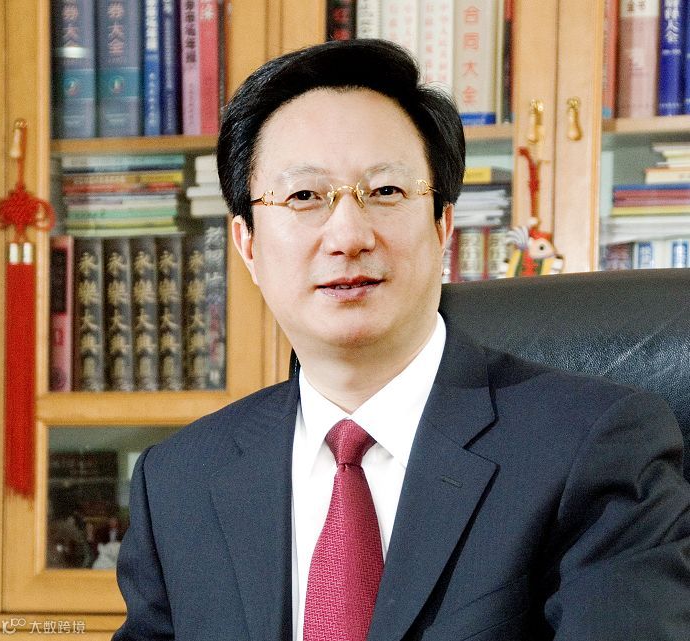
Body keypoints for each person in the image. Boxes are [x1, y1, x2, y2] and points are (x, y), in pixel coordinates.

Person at [113, 40, 690, 641]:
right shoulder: (178, 482)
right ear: (248, 244)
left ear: (442, 225)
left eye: (386, 192)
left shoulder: (593, 447)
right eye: (305, 196)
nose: (348, 236)